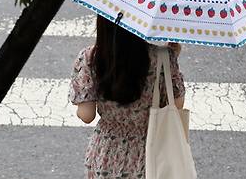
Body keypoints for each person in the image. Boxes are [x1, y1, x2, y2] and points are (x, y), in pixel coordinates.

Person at [68, 14, 186, 178]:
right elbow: (177, 104)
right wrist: (170, 59)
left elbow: (87, 115)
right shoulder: (161, 57)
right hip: (148, 155)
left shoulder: (90, 58)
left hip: (105, 156)